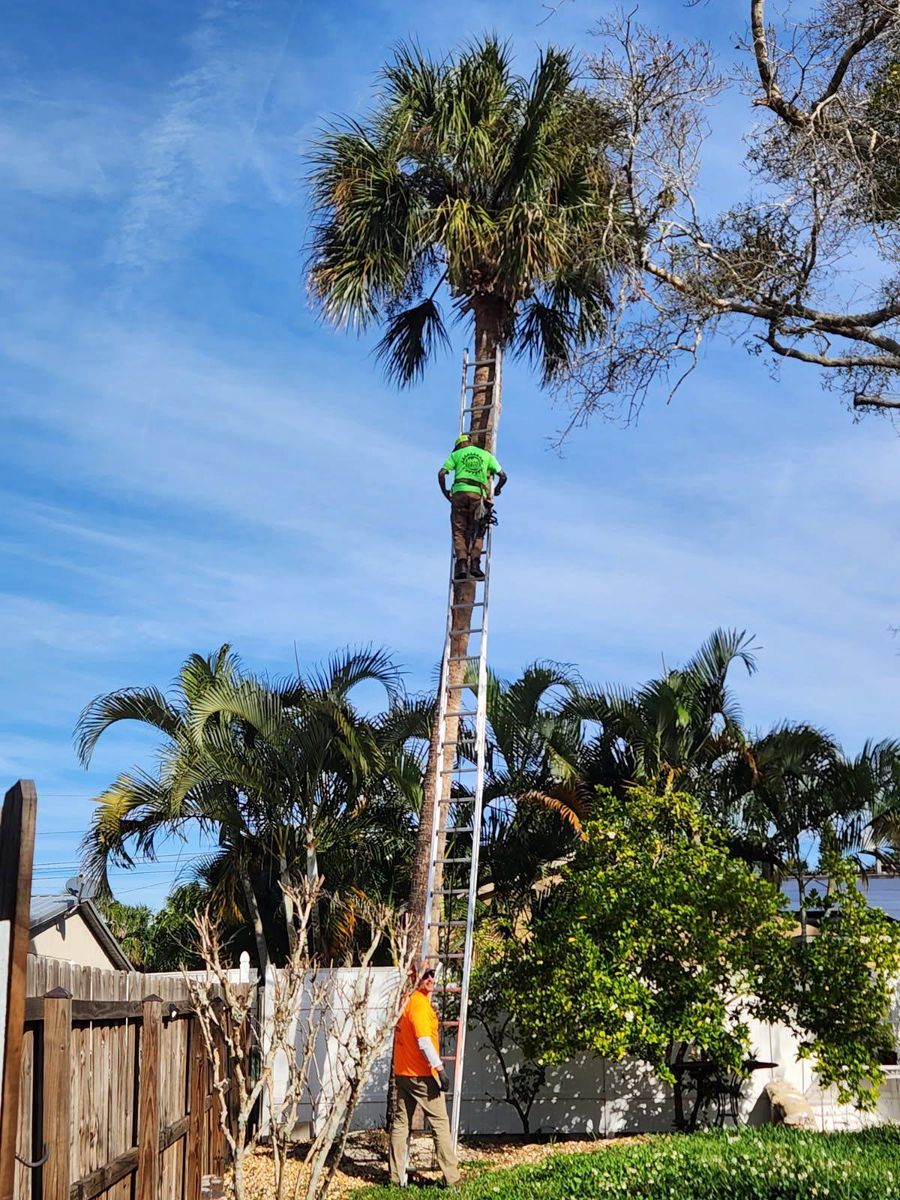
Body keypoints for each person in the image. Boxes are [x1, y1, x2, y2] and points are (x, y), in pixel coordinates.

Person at [389, 967, 461, 1188]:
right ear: (414, 978)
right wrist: (439, 1069)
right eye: (424, 975)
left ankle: (394, 1178)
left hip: (403, 1073)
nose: (430, 979)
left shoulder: (406, 1002)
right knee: (440, 1122)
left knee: (401, 1124)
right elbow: (423, 1041)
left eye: (432, 975)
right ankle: (452, 1177)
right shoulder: (419, 1005)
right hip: (421, 1075)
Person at [438, 434, 507, 581]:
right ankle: (475, 565)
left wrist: (445, 492)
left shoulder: (456, 455)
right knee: (479, 530)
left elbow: (442, 473)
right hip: (478, 495)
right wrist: (497, 490)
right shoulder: (486, 455)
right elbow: (503, 476)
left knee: (459, 531)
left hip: (459, 495)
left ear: (459, 445)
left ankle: (461, 564)